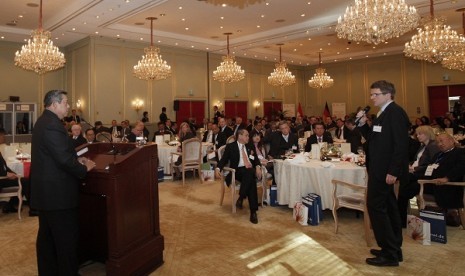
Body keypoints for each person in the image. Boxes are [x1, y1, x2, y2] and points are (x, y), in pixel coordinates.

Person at [31, 90, 96, 276]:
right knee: (65, 240)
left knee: (47, 238)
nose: (68, 106)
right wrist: (84, 168)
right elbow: (63, 160)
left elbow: (60, 153)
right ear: (54, 104)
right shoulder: (52, 125)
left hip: (47, 194)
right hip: (57, 195)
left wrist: (78, 159)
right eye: (66, 102)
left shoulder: (45, 122)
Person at [359, 80, 409, 267]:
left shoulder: (395, 113)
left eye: (375, 94)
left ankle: (389, 254)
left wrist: (393, 170)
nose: (372, 98)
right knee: (388, 208)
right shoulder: (383, 113)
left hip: (385, 171)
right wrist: (364, 125)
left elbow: (401, 145)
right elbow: (374, 140)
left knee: (376, 207)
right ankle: (394, 248)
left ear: (388, 94)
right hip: (379, 169)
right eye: (371, 94)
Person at [215, 129, 262, 224]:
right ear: (240, 136)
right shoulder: (230, 147)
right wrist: (217, 169)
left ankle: (245, 202)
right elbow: (223, 160)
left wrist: (258, 167)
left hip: (249, 170)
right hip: (236, 171)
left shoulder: (250, 145)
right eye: (246, 135)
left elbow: (256, 159)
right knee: (250, 175)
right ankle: (251, 209)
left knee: (250, 175)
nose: (248, 137)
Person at [397, 125, 440, 227]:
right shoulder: (422, 146)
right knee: (401, 184)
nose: (418, 136)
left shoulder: (433, 146)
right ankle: (399, 217)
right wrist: (410, 165)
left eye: (420, 134)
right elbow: (417, 160)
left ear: (428, 134)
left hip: (424, 177)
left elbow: (432, 166)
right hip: (415, 174)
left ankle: (400, 219)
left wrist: (414, 169)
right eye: (417, 134)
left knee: (402, 188)